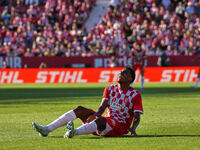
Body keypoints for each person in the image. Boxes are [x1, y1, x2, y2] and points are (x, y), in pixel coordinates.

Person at [32, 67, 144, 138]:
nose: (120, 73)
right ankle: (47, 129)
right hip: (103, 123)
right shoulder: (110, 88)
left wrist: (133, 128)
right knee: (80, 109)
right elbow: (102, 107)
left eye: (124, 72)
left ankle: (74, 132)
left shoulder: (134, 94)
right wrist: (94, 116)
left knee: (101, 120)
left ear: (130, 78)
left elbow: (137, 115)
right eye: (120, 71)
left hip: (119, 126)